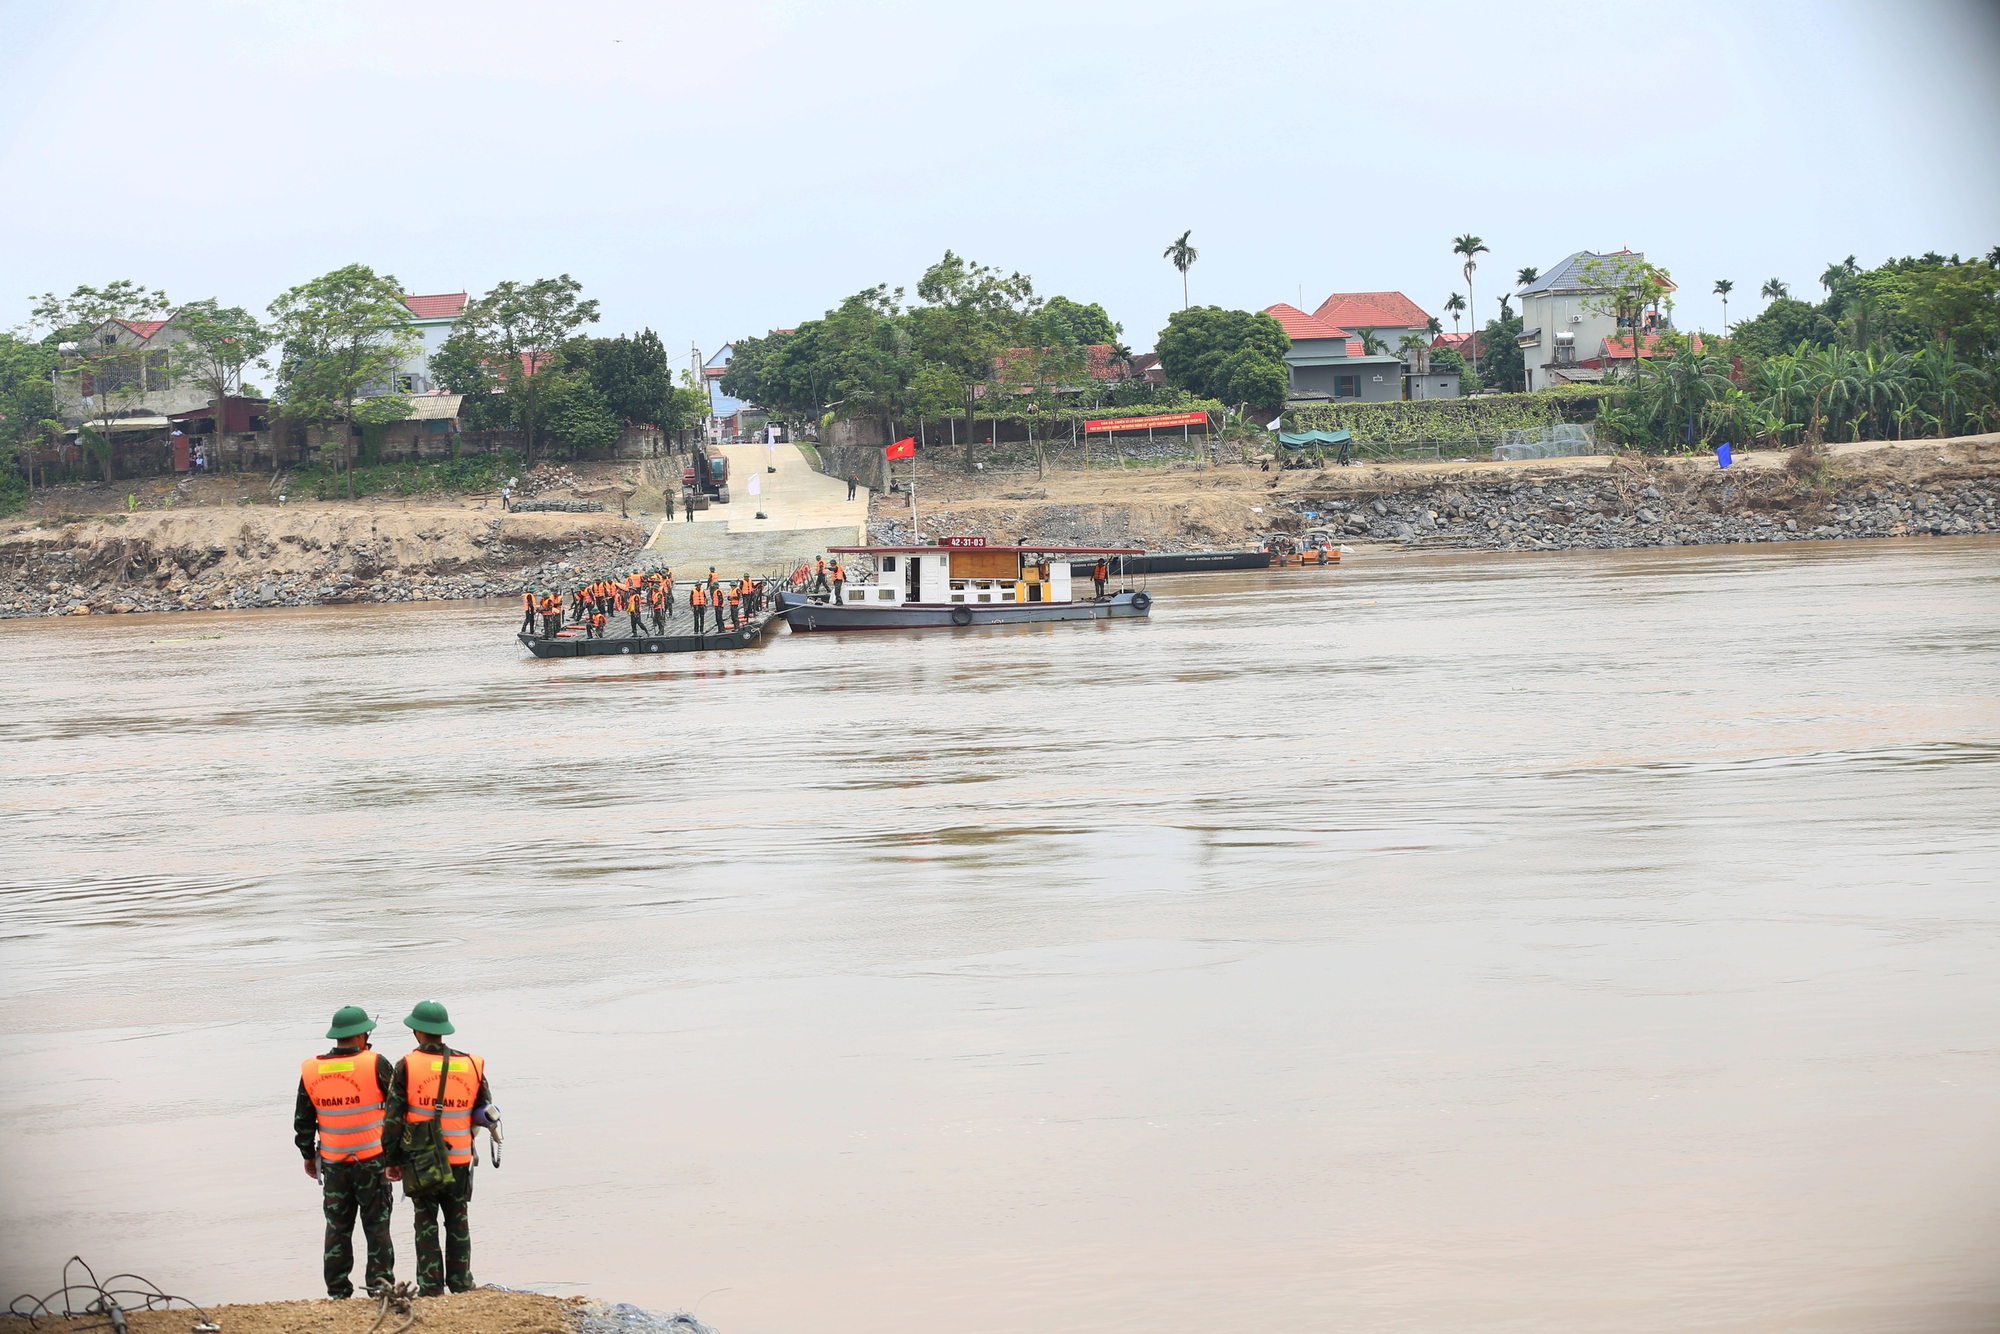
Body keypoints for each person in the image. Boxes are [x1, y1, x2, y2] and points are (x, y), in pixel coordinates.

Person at [385, 1001, 493, 1297]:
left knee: (426, 1221)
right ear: (443, 1031)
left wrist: (391, 1160)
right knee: (458, 1218)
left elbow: (393, 1118)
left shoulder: (406, 1065)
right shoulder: (472, 1064)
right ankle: (461, 1283)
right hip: (460, 1157)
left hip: (421, 1161)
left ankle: (431, 1287)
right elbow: (485, 1109)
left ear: (417, 1031)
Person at [296, 1006, 397, 1300]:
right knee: (377, 1226)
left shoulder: (311, 1069)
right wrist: (397, 1157)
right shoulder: (376, 1063)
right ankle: (380, 1289)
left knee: (337, 1227)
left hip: (334, 1164)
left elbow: (303, 1120)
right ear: (359, 1035)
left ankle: (338, 1291)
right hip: (372, 1162)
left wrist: (307, 1154)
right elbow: (396, 1110)